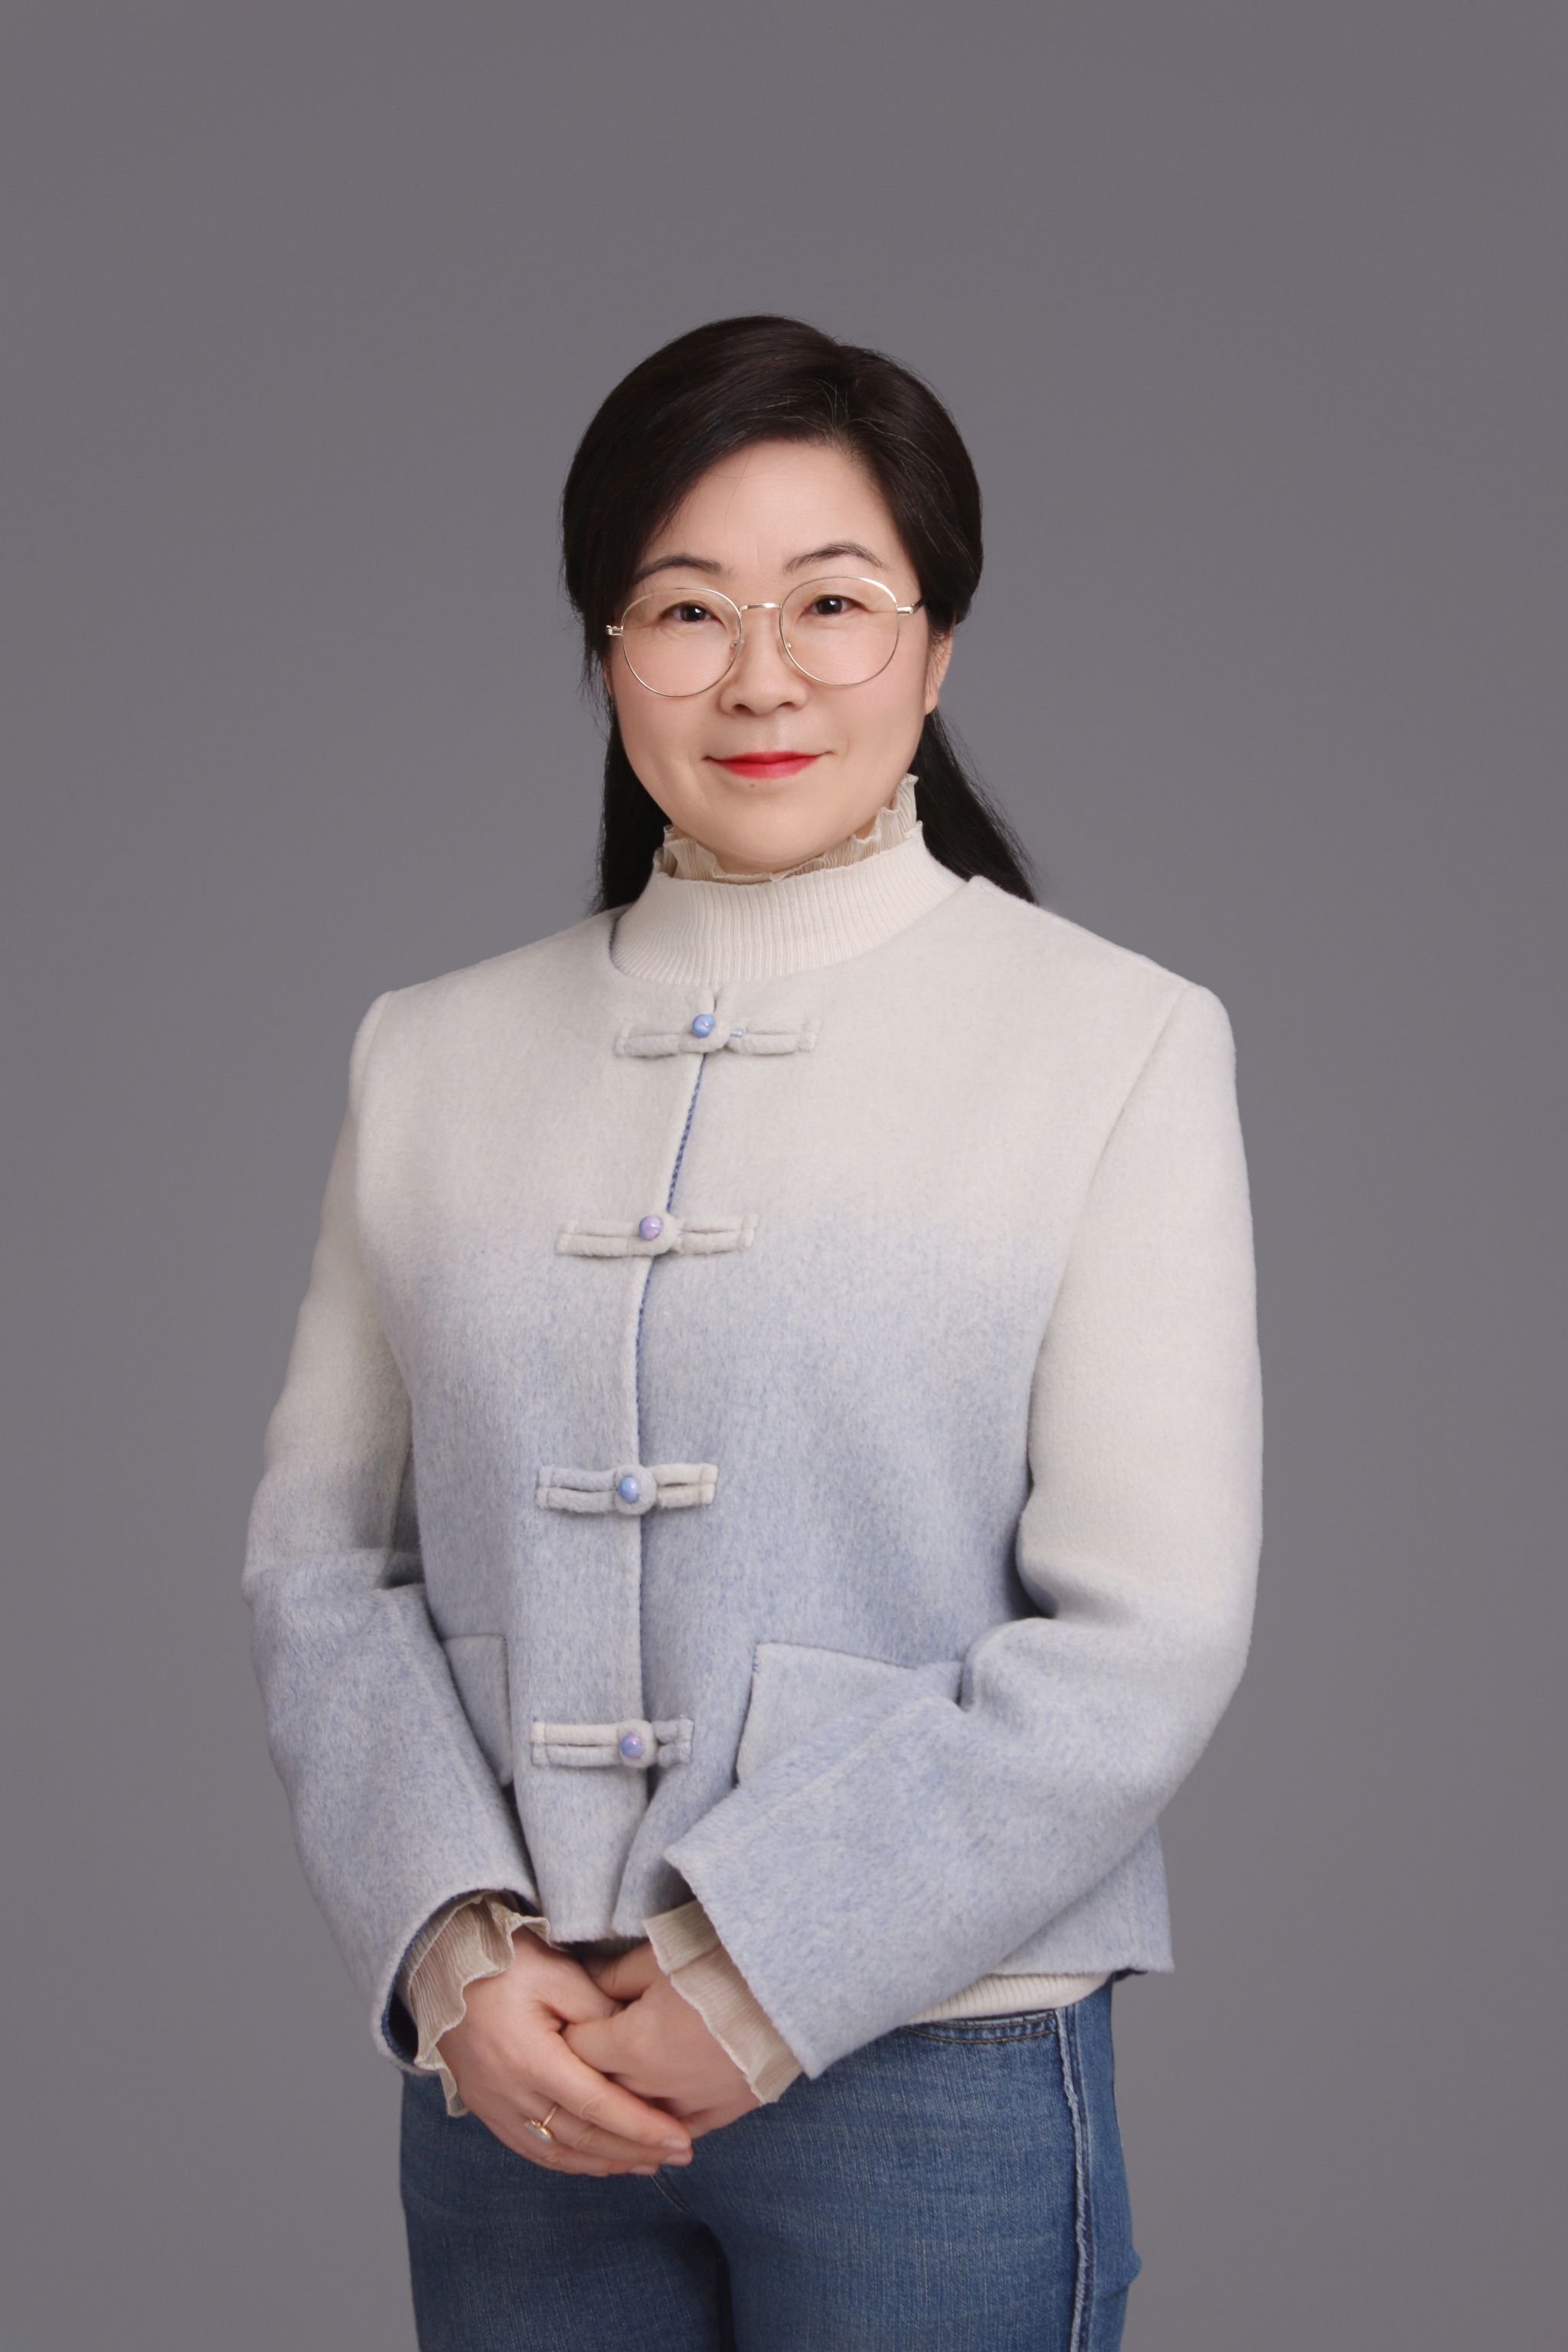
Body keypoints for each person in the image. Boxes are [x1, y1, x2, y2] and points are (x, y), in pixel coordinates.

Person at [243, 313, 1263, 2351]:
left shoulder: (1117, 1042)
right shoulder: (430, 1055)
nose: (761, 675)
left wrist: (760, 1970)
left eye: (834, 603)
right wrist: (452, 1954)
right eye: (688, 607)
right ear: (608, 649)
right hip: (521, 2083)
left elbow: (1147, 1632)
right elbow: (324, 1566)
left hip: (938, 2059)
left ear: (935, 646)